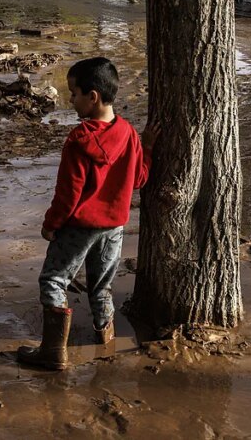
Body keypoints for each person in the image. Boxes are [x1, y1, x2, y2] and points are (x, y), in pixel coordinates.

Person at [17, 57, 158, 370]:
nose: (71, 99)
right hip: (114, 227)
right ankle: (105, 342)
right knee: (101, 286)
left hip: (79, 226)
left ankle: (53, 352)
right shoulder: (129, 134)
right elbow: (138, 180)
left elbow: (68, 193)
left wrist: (50, 225)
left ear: (92, 96)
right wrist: (146, 148)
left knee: (53, 280)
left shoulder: (78, 141)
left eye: (74, 93)